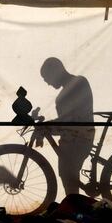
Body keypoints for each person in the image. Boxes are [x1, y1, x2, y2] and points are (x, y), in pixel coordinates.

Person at [40, 57, 95, 195]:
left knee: (69, 179)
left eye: (46, 77)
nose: (47, 83)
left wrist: (49, 126)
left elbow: (70, 119)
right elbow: (67, 121)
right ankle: (75, 205)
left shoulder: (78, 83)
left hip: (78, 138)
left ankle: (75, 207)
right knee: (67, 178)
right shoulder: (77, 83)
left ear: (55, 71)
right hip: (73, 138)